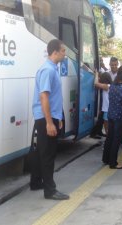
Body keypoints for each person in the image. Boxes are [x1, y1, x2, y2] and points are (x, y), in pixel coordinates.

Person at [31, 39, 69, 200]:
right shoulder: (48, 70)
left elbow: (53, 97)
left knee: (41, 151)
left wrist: (58, 117)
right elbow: (44, 97)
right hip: (45, 118)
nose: (65, 54)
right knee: (48, 154)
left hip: (49, 116)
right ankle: (50, 190)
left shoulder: (52, 69)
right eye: (63, 51)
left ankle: (36, 182)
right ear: (54, 52)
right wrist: (49, 122)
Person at [102, 66, 122, 169]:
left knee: (110, 137)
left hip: (111, 114)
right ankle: (113, 163)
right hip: (120, 116)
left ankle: (106, 159)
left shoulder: (113, 86)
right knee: (116, 139)